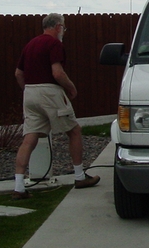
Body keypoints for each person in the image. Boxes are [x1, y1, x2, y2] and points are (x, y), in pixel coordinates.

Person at [12, 13, 100, 199]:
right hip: (50, 92)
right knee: (74, 131)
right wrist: (71, 88)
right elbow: (58, 73)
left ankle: (19, 187)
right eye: (64, 28)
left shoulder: (30, 44)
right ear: (58, 27)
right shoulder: (54, 44)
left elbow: (18, 73)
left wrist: (27, 90)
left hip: (30, 92)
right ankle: (79, 176)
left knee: (29, 138)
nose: (64, 32)